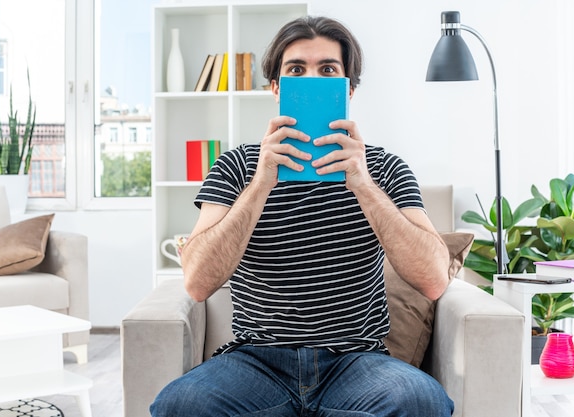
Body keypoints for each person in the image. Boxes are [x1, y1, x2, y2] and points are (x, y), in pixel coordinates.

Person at [151, 15, 454, 417]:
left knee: (420, 400)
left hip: (356, 361)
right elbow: (197, 282)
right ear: (276, 87)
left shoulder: (384, 168)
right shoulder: (236, 167)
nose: (312, 80)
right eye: (297, 70)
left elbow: (433, 279)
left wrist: (362, 183)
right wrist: (260, 183)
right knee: (178, 404)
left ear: (349, 88)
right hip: (256, 362)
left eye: (327, 70)